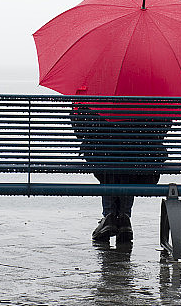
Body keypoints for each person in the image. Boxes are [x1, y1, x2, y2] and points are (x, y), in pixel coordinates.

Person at [70, 88, 169, 244]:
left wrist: (76, 105)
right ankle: (123, 217)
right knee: (127, 157)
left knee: (111, 154)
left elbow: (80, 130)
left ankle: (110, 216)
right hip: (144, 159)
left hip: (103, 158)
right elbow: (163, 129)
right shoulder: (155, 91)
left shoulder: (97, 90)